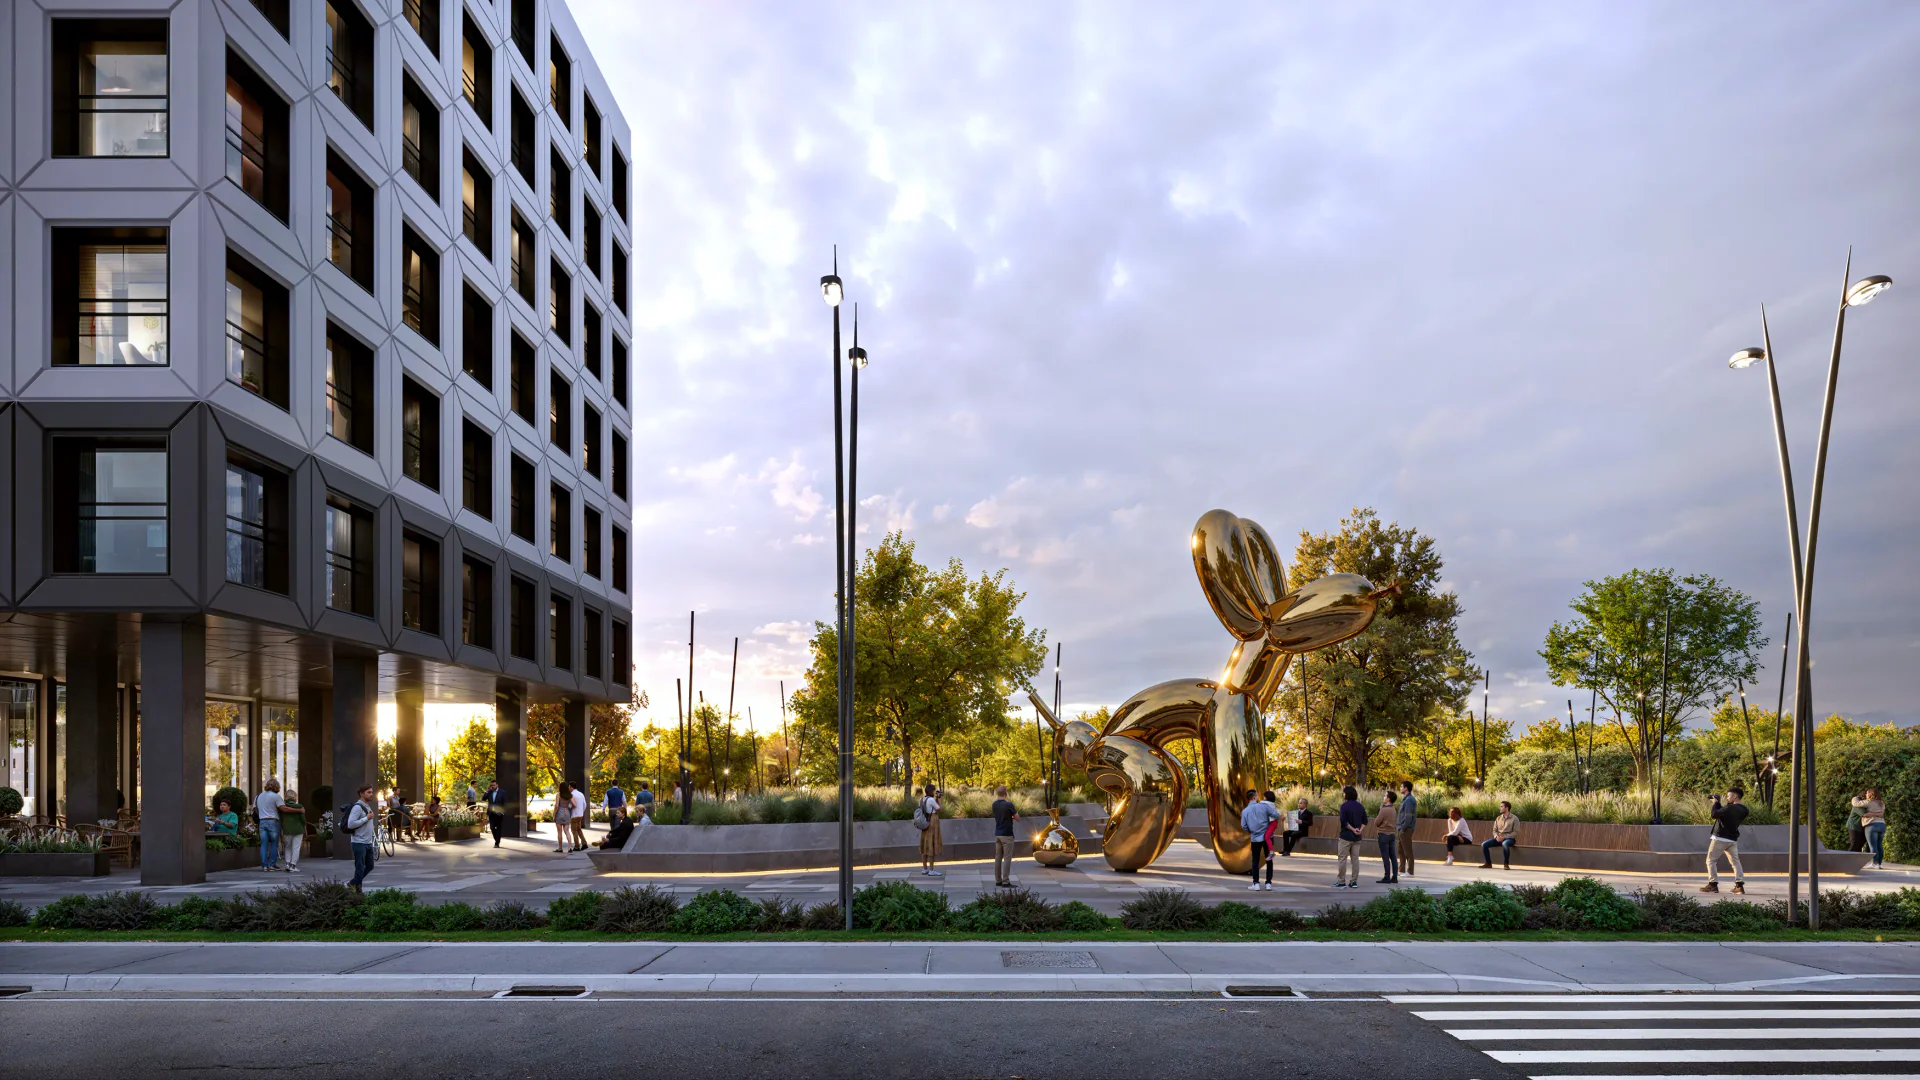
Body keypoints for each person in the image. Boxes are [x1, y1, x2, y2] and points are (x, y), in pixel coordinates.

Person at [1702, 785, 1749, 894]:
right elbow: (1725, 813)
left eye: (1728, 796)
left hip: (1720, 838)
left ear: (1735, 796)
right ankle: (1739, 886)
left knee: (1711, 860)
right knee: (1735, 862)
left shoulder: (1729, 808)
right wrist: (1718, 803)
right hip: (1732, 840)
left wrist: (1715, 803)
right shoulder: (1744, 810)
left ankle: (1713, 884)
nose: (1727, 798)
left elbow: (1714, 814)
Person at [1240, 789, 1280, 891]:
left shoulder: (1245, 811)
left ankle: (1256, 883)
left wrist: (1252, 831)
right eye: (1257, 796)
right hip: (1268, 837)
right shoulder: (1264, 806)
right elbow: (1276, 815)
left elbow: (1243, 826)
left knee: (1255, 860)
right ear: (1254, 797)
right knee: (1269, 860)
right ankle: (1268, 883)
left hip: (1255, 838)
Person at [345, 785, 378, 892]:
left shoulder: (367, 806)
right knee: (359, 868)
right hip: (359, 842)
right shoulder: (357, 807)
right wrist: (366, 818)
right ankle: (358, 891)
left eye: (372, 792)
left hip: (368, 842)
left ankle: (352, 883)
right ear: (361, 794)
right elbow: (350, 824)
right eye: (368, 792)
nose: (371, 794)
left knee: (370, 866)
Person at [1335, 786, 1365, 888]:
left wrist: (1352, 829)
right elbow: (1365, 821)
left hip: (1346, 836)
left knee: (1342, 858)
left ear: (1346, 794)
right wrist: (1359, 830)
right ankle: (1354, 881)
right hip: (1357, 837)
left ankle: (1341, 881)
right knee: (1355, 860)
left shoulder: (1344, 806)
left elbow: (1344, 821)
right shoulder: (1360, 806)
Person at [990, 785, 1020, 887]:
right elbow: (1017, 818)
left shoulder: (994, 805)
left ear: (997, 793)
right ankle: (1006, 881)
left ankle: (998, 880)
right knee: (1007, 858)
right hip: (1007, 835)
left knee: (998, 857)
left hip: (998, 834)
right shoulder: (1009, 805)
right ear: (1006, 793)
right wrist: (1013, 815)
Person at [1852, 788, 1887, 869]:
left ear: (1871, 794)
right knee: (1879, 845)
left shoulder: (1869, 802)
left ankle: (1875, 863)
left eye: (1867, 793)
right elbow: (1881, 813)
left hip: (1872, 825)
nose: (1866, 795)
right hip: (1882, 825)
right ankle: (1880, 864)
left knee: (1873, 846)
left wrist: (1854, 798)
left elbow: (1856, 803)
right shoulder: (1882, 803)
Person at [254, 779, 285, 872]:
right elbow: (283, 808)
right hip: (273, 821)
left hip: (262, 821)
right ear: (277, 786)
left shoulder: (258, 796)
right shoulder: (276, 796)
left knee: (264, 844)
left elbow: (255, 809)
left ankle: (264, 865)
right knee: (274, 844)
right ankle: (272, 865)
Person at [1480, 801, 1518, 869]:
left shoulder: (1514, 818)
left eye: (1501, 806)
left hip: (1509, 839)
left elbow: (1515, 832)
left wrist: (1504, 837)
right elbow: (1494, 830)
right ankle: (1488, 863)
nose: (1500, 808)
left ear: (1507, 808)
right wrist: (1496, 837)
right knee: (1484, 844)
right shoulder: (1498, 818)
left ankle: (1506, 864)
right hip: (1498, 839)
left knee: (1505, 844)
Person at [1372, 793, 1400, 884]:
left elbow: (1376, 822)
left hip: (1383, 834)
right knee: (1393, 856)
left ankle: (1387, 876)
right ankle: (1395, 876)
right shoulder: (1393, 809)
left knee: (1385, 856)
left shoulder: (1384, 810)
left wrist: (1380, 810)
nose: (1384, 797)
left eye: (1385, 796)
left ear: (1388, 799)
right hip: (1392, 835)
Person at [917, 785, 944, 877]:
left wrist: (936, 798)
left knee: (925, 846)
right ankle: (931, 870)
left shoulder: (922, 799)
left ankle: (925, 869)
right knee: (931, 845)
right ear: (931, 791)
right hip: (932, 822)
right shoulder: (931, 800)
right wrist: (939, 799)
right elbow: (939, 809)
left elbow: (929, 808)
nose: (935, 792)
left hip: (925, 822)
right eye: (934, 790)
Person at [1397, 781, 1419, 878]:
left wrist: (1403, 828)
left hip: (1406, 829)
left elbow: (1408, 816)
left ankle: (1410, 871)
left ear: (1406, 788)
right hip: (1402, 828)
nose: (1400, 788)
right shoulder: (1406, 799)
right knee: (1401, 850)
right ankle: (1401, 870)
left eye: (1401, 786)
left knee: (1407, 851)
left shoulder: (1409, 800)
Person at [279, 789, 305, 872]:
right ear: (294, 797)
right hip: (298, 830)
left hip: (286, 829)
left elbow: (281, 819)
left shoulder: (282, 807)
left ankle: (287, 863)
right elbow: (303, 820)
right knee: (296, 848)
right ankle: (293, 865)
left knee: (288, 847)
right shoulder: (299, 807)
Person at [552, 783, 574, 854]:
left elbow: (557, 806)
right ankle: (570, 847)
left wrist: (554, 815)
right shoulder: (570, 795)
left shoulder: (558, 794)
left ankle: (560, 848)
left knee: (559, 832)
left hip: (559, 813)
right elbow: (574, 804)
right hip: (567, 813)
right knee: (567, 831)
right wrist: (569, 808)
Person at [483, 779, 506, 847]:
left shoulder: (502, 792)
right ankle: (497, 840)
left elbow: (505, 803)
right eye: (492, 785)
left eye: (494, 785)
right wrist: (486, 791)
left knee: (498, 828)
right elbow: (483, 798)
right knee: (492, 827)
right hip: (491, 813)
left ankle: (497, 843)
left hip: (499, 813)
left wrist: (502, 812)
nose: (493, 786)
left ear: (497, 785)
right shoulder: (489, 792)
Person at [569, 783, 589, 852]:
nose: (568, 788)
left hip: (574, 815)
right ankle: (584, 843)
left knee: (574, 831)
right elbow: (585, 804)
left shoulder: (571, 795)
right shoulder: (581, 794)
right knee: (579, 829)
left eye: (569, 787)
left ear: (571, 787)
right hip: (580, 815)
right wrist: (581, 811)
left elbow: (570, 805)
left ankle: (577, 846)